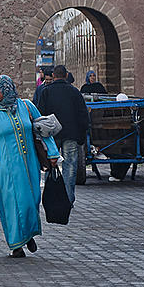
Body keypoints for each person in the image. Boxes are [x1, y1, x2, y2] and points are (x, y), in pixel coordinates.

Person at [0, 74, 59, 258]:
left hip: (30, 164)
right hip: (7, 169)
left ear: (6, 87)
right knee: (11, 205)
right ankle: (16, 244)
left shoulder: (26, 106)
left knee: (31, 201)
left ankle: (28, 234)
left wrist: (52, 153)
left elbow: (44, 130)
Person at [38, 65, 90, 204]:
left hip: (52, 136)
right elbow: (83, 115)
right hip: (71, 135)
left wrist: (42, 137)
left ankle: (50, 197)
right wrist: (82, 135)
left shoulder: (46, 92)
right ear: (66, 76)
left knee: (50, 165)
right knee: (70, 167)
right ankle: (68, 199)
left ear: (54, 76)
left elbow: (41, 115)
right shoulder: (74, 92)